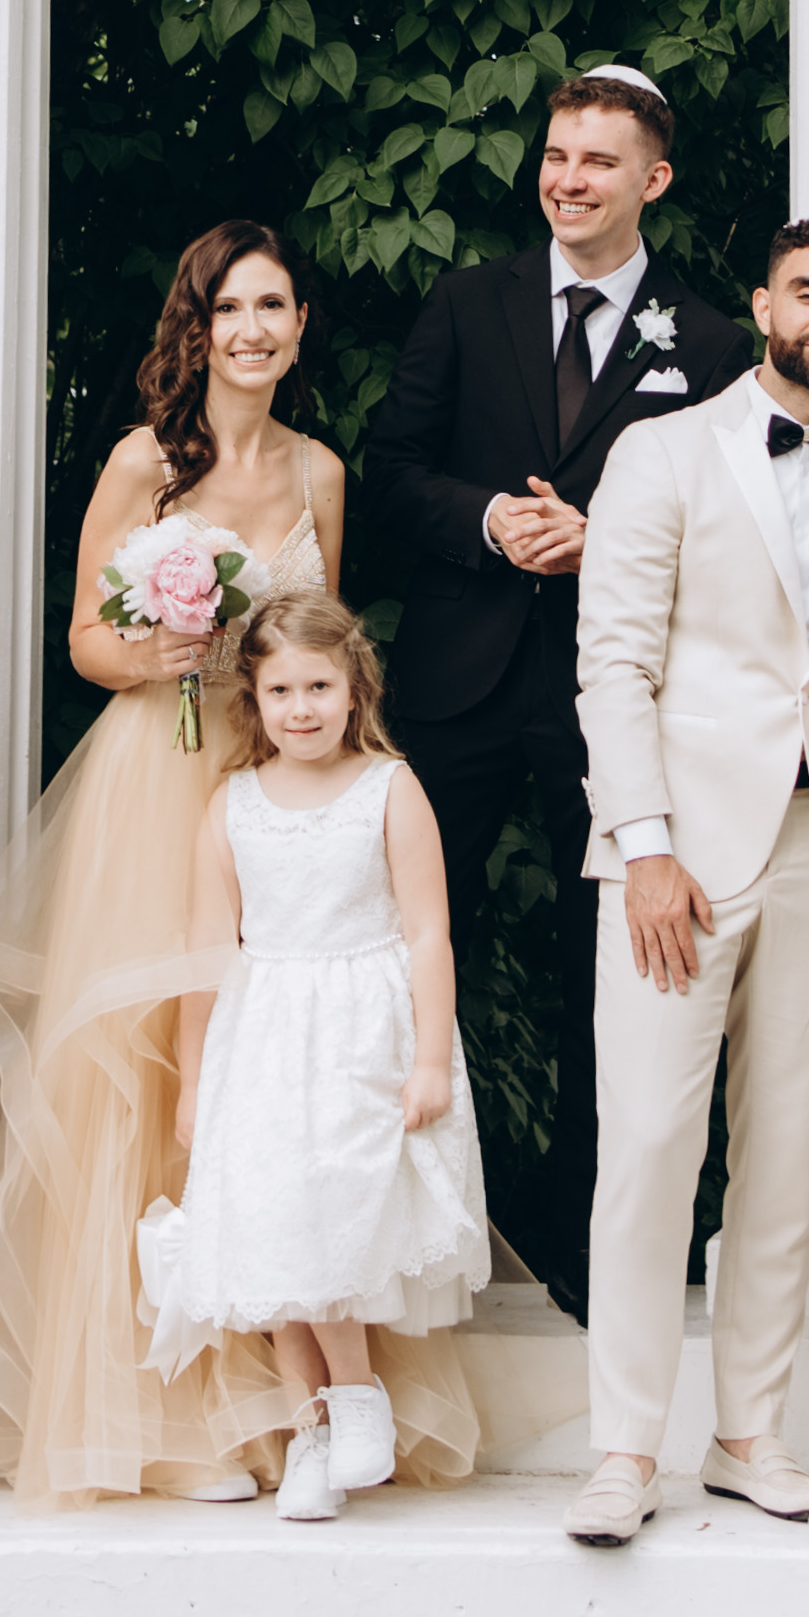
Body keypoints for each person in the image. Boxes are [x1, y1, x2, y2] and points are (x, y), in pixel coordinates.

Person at [0, 225, 481, 1507]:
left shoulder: (318, 469)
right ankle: (163, 1414)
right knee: (155, 1069)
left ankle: (289, 1409)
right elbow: (83, 636)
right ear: (199, 324)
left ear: (299, 325)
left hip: (277, 785)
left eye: (273, 305)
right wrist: (157, 651)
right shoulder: (144, 461)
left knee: (278, 1079)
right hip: (157, 773)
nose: (252, 329)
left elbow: (314, 639)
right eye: (229, 307)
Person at [374, 64, 750, 1315]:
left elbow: (735, 529)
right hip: (460, 683)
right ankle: (387, 1234)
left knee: (620, 968)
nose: (568, 178)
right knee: (403, 944)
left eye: (597, 159)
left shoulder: (710, 342)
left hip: (618, 700)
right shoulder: (466, 302)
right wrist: (490, 518)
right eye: (556, 154)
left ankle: (603, 1252)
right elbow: (393, 471)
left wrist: (614, 540)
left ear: (654, 179)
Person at [555, 213, 809, 1545]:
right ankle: (622, 1446)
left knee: (786, 1149)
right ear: (762, 302)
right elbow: (613, 660)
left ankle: (749, 1431)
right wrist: (642, 844)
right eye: (807, 289)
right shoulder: (663, 449)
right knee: (647, 1143)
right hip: (678, 849)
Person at [139, 594, 497, 1525]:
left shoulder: (389, 788)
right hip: (262, 1037)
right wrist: (194, 1076)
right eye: (281, 690)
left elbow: (427, 932)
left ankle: (357, 1395)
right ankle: (313, 1431)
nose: (301, 708)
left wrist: (430, 1058)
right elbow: (207, 951)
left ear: (354, 688)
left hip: (359, 1034)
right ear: (253, 699)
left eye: (319, 687)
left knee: (328, 1219)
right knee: (272, 1234)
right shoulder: (233, 805)